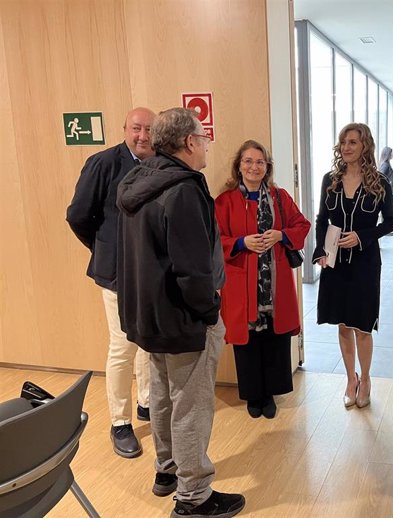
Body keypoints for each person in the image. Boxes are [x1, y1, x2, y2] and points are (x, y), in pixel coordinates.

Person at [116, 108, 245, 518]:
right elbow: (192, 268)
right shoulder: (185, 188)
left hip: (148, 315)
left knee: (163, 396)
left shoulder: (137, 180)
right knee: (191, 404)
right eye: (203, 137)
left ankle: (167, 471)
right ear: (190, 142)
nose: (207, 144)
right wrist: (209, 311)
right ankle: (194, 498)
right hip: (184, 316)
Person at [66, 107, 155, 458]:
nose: (143, 136)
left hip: (149, 272)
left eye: (149, 129)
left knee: (148, 340)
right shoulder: (102, 163)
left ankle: (146, 401)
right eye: (137, 129)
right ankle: (119, 422)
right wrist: (104, 248)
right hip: (116, 273)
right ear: (125, 130)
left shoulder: (159, 163)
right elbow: (77, 215)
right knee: (122, 346)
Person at [215, 140, 310, 419]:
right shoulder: (225, 201)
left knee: (273, 337)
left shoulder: (279, 197)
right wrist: (242, 243)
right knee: (247, 341)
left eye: (260, 162)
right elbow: (214, 240)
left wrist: (281, 235)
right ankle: (253, 395)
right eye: (248, 161)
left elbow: (301, 225)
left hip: (274, 283)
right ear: (239, 165)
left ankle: (269, 394)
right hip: (240, 283)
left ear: (267, 167)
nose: (254, 167)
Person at [312, 123, 393, 409]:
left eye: (352, 142)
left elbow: (391, 222)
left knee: (362, 325)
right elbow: (322, 219)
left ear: (365, 146)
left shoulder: (379, 182)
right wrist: (320, 251)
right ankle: (351, 379)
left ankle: (367, 379)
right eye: (343, 142)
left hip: (365, 263)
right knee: (343, 324)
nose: (346, 147)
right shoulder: (330, 180)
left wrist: (362, 237)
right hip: (335, 263)